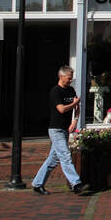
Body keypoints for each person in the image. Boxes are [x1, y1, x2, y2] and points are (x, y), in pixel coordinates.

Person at [32, 65, 85, 195]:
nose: (70, 80)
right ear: (61, 77)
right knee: (65, 155)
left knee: (53, 159)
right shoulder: (55, 91)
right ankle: (75, 183)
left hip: (65, 129)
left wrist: (75, 121)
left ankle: (37, 184)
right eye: (68, 78)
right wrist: (74, 103)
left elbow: (76, 107)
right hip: (56, 129)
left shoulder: (71, 90)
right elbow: (61, 109)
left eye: (71, 78)